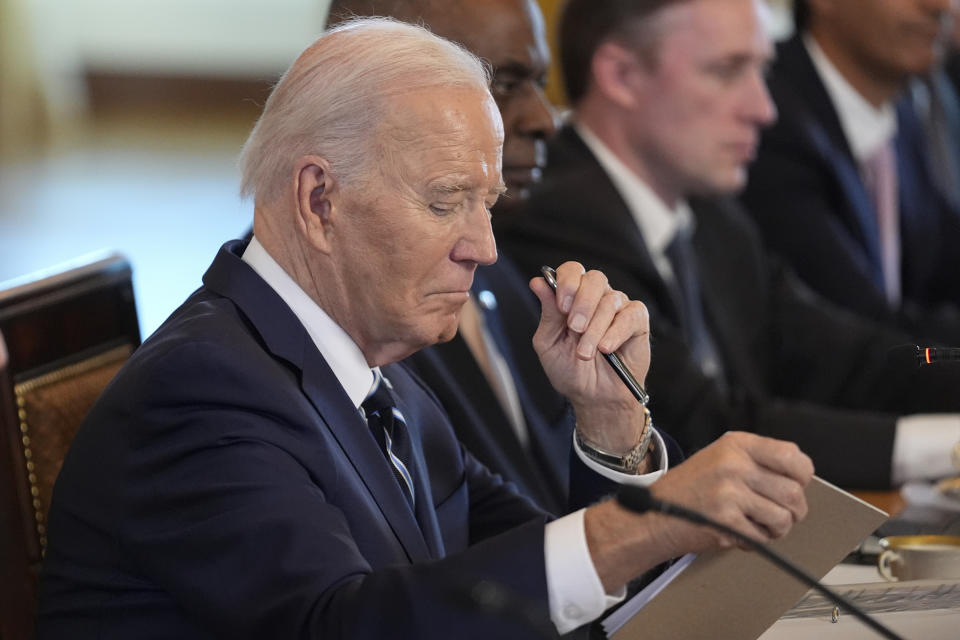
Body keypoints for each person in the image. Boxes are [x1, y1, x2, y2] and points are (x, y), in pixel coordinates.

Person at [35, 19, 814, 639]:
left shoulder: (382, 376)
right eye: (446, 201)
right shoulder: (201, 391)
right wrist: (653, 519)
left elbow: (540, 587)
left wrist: (612, 423)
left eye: (488, 202)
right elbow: (342, 624)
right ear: (318, 201)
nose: (486, 246)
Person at [497, 0, 960, 490]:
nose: (763, 108)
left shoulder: (710, 214)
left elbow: (843, 357)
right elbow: (698, 429)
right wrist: (948, 446)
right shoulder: (558, 217)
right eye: (727, 71)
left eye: (761, 72)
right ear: (622, 75)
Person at [325, 0, 570, 513]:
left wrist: (616, 439)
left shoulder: (501, 272)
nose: (545, 120)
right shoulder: (340, 309)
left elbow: (544, 507)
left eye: (539, 83)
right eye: (502, 85)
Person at [741, 0, 960, 343]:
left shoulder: (902, 108)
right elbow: (858, 327)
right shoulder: (765, 122)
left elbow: (944, 260)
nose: (940, 6)